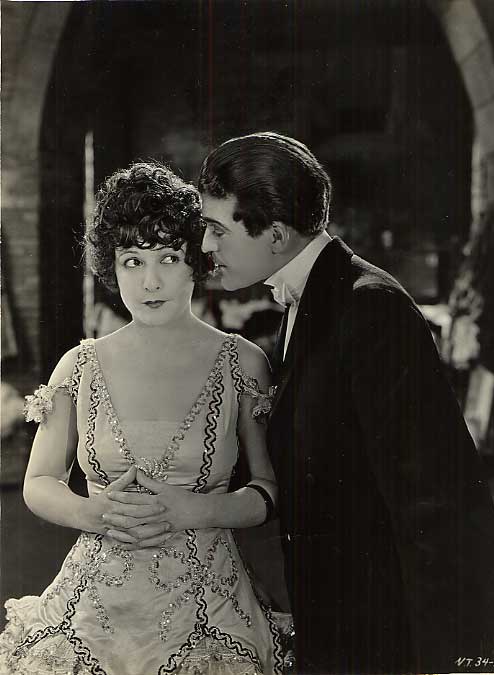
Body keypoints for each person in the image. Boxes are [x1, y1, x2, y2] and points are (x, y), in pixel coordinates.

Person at [195, 132, 494, 674]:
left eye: (218, 229)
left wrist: (463, 665)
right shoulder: (309, 300)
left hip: (386, 640)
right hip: (337, 626)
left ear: (275, 234)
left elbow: (443, 508)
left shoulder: (370, 310)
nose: (205, 245)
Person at [0, 162, 286, 675]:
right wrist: (96, 514)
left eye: (169, 258)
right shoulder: (80, 365)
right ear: (111, 267)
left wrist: (196, 510)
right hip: (94, 610)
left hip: (210, 607)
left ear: (195, 260)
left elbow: (268, 490)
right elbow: (39, 481)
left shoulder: (242, 362)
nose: (151, 281)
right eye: (132, 261)